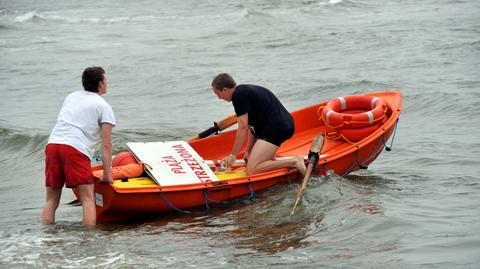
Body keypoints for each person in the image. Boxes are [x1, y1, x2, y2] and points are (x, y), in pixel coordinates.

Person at [40, 66, 115, 227]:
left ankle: (45, 237)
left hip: (53, 145)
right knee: (88, 199)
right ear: (101, 83)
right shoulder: (104, 107)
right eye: (106, 80)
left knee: (51, 199)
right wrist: (107, 175)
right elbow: (107, 145)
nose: (107, 83)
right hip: (74, 148)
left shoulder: (72, 96)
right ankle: (89, 241)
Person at [211, 73, 306, 176]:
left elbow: (242, 128)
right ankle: (278, 166)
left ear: (225, 90)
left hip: (277, 128)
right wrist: (248, 151)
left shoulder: (239, 95)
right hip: (279, 126)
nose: (219, 98)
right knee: (260, 161)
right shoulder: (244, 91)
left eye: (217, 94)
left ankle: (295, 161)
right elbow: (252, 128)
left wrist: (233, 155)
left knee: (252, 170)